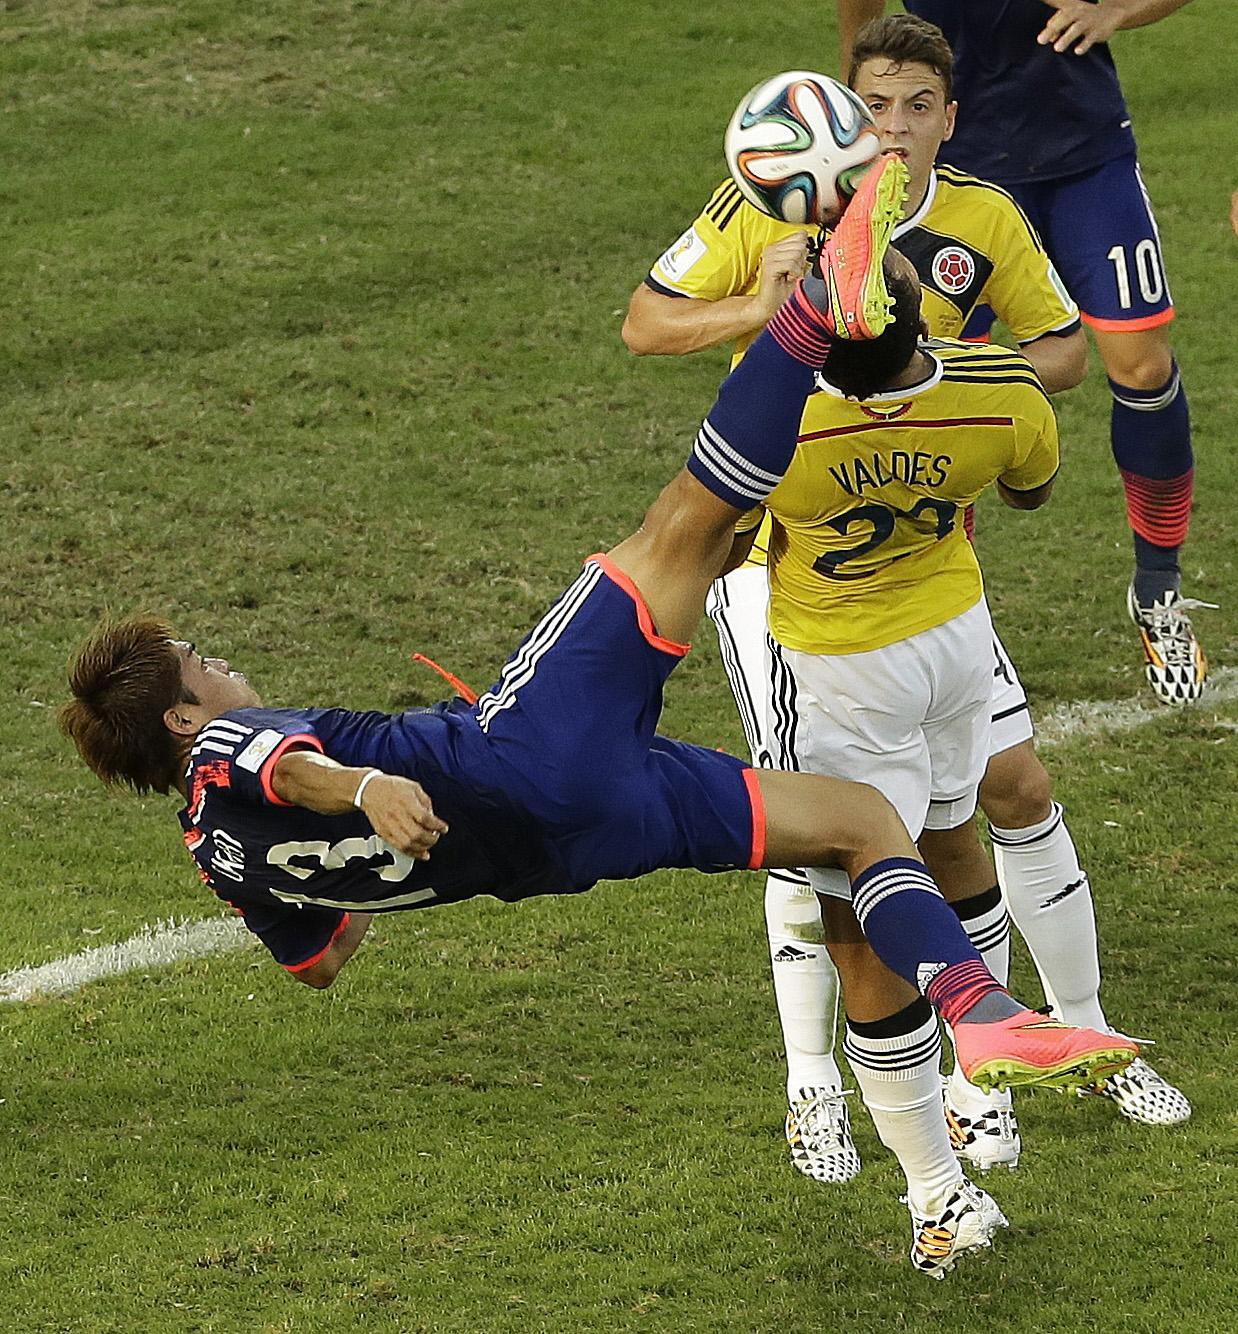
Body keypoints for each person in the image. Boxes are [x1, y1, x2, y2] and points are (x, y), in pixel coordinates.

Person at [59, 162, 1137, 1278]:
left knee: (862, 824)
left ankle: (974, 1013)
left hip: (567, 847)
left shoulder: (221, 861)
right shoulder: (222, 750)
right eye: (203, 665)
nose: (226, 667)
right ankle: (817, 305)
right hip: (528, 744)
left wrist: (377, 855)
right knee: (684, 522)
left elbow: (324, 960)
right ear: (179, 718)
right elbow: (286, 766)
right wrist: (367, 787)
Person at [623, 16, 1187, 1190]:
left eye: (915, 107)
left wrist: (935, 388)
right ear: (843, 113)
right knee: (816, 843)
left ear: (947, 117)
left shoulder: (980, 216)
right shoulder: (769, 204)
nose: (891, 128)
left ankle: (1070, 1041)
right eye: (873, 106)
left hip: (925, 558)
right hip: (779, 562)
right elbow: (645, 321)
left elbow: (1063, 353)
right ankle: (813, 1086)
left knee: (1004, 788)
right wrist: (760, 313)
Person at [838, 0, 1213, 708]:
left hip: (1081, 148)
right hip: (953, 162)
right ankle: (950, 614)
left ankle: (1159, 588)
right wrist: (854, 110)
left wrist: (1119, 10)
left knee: (1141, 366)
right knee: (927, 384)